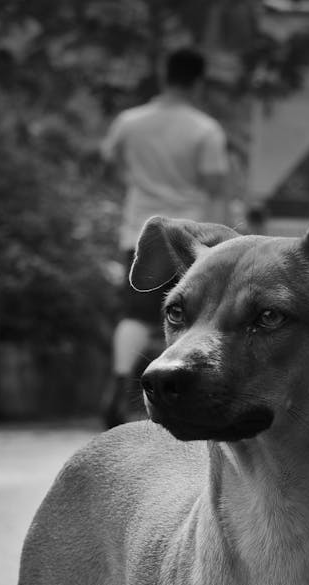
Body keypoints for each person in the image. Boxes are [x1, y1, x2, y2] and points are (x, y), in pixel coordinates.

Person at [99, 47, 230, 426]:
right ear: (199, 82)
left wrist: (135, 187)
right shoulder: (204, 129)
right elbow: (216, 188)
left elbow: (108, 164)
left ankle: (122, 380)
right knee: (195, 316)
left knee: (135, 315)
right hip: (191, 240)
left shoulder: (130, 121)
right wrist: (226, 244)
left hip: (140, 232)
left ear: (163, 74)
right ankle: (187, 387)